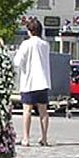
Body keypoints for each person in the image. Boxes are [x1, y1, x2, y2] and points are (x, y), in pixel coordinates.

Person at [14, 18, 52, 147]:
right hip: (43, 81)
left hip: (29, 81)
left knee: (27, 110)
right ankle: (44, 138)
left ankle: (26, 137)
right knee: (43, 111)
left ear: (29, 31)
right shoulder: (45, 44)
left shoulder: (26, 44)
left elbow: (17, 62)